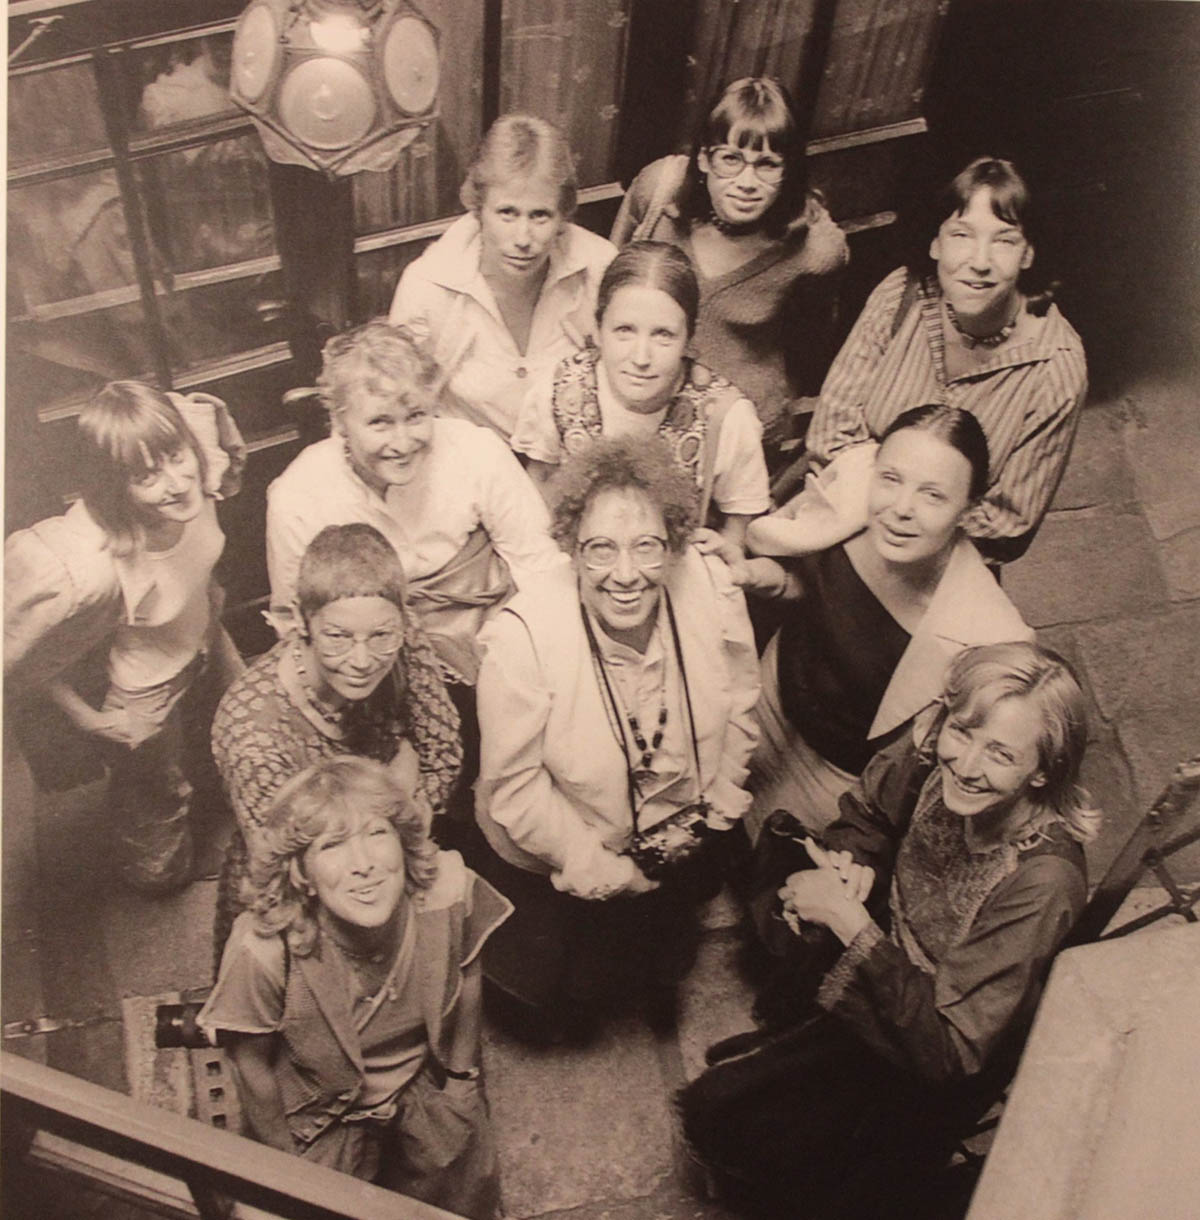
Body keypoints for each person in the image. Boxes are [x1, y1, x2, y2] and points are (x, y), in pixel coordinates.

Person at [678, 642, 1099, 1219]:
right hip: (885, 953)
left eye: (1001, 753)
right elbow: (871, 817)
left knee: (732, 1119)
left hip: (928, 1036)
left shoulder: (1042, 881)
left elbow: (949, 1049)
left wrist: (851, 926)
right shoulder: (936, 746)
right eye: (963, 731)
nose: (967, 764)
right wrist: (856, 861)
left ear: (1043, 771)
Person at [473, 437, 760, 1037]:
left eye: (647, 547)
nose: (625, 575)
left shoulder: (711, 587)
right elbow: (517, 791)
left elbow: (739, 703)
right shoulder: (520, 640)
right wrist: (601, 867)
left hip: (686, 832)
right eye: (600, 549)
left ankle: (663, 975)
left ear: (675, 545)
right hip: (583, 842)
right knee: (580, 984)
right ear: (571, 550)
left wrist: (718, 807)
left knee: (671, 938)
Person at [199, 755, 512, 1219]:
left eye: (377, 833)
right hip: (317, 1108)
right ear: (300, 874)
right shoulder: (263, 948)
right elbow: (252, 1067)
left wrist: (462, 1081)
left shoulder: (448, 892)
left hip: (420, 1081)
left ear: (403, 846)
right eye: (332, 845)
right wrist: (288, 1167)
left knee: (466, 1195)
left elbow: (468, 974)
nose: (362, 864)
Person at [737, 404, 1033, 842]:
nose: (900, 509)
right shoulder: (852, 487)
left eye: (933, 495)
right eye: (891, 479)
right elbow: (813, 585)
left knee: (767, 864)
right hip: (768, 695)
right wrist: (775, 581)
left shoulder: (990, 634)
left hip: (835, 774)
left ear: (968, 513)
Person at [4, 381, 246, 893]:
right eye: (145, 476)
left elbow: (180, 429)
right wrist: (91, 721)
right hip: (145, 689)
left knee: (244, 741)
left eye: (176, 456)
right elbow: (25, 661)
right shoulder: (90, 567)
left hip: (206, 637)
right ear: (116, 487)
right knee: (161, 854)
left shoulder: (196, 463)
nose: (176, 483)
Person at [803, 155, 1087, 564]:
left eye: (1004, 240)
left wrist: (908, 523)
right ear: (935, 242)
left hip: (946, 571)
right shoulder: (900, 296)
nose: (980, 261)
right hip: (838, 536)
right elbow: (830, 434)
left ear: (1028, 254)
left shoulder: (1056, 368)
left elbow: (1009, 523)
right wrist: (920, 509)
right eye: (962, 235)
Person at [265, 320, 565, 685]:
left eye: (417, 417)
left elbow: (540, 567)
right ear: (339, 421)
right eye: (380, 423)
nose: (403, 442)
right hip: (372, 665)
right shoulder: (298, 497)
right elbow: (295, 620)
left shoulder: (478, 452)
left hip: (494, 643)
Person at [211, 524, 463, 958]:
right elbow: (286, 864)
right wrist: (400, 782)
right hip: (300, 905)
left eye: (382, 637)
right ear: (301, 621)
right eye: (337, 638)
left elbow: (443, 754)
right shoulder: (251, 730)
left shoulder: (389, 627)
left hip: (388, 867)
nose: (363, 661)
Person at [610, 77, 847, 463]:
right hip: (640, 401)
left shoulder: (816, 250)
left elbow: (811, 346)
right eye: (731, 159)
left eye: (768, 164)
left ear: (788, 170)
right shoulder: (659, 191)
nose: (747, 183)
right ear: (704, 159)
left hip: (736, 428)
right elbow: (610, 280)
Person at [513, 241, 771, 548]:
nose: (641, 357)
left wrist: (722, 549)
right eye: (624, 330)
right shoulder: (559, 389)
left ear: (689, 335)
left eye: (663, 335)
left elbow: (739, 527)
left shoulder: (725, 416)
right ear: (598, 329)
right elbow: (540, 482)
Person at [389, 113, 617, 446]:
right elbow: (396, 402)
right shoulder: (427, 284)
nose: (523, 238)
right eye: (507, 213)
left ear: (563, 216)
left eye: (540, 215)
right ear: (478, 209)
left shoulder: (600, 266)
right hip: (469, 470)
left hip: (571, 462)